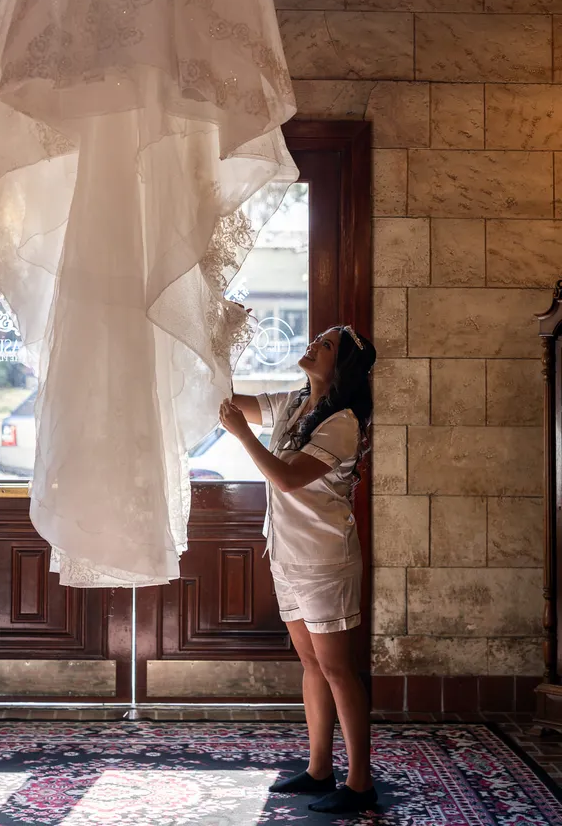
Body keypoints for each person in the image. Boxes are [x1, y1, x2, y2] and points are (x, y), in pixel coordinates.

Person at [219, 324, 377, 815]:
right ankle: (319, 769)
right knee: (311, 664)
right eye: (318, 339)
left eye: (326, 345)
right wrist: (209, 345)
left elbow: (287, 479)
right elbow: (230, 401)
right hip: (286, 554)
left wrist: (242, 436)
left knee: (336, 667)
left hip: (325, 560)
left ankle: (359, 782)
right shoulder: (293, 401)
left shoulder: (344, 421)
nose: (313, 345)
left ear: (341, 365)